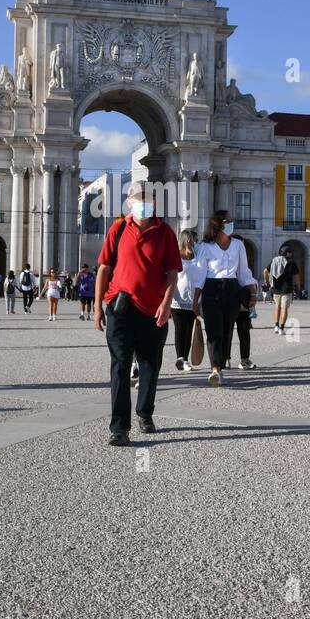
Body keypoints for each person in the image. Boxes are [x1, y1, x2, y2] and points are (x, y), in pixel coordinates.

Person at [95, 181, 181, 446]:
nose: (145, 202)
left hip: (153, 310)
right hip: (120, 308)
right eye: (139, 198)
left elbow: (172, 273)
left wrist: (166, 305)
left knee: (149, 365)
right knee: (120, 365)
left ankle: (145, 413)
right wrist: (97, 306)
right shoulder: (118, 227)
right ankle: (119, 427)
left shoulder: (165, 231)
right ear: (129, 202)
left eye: (149, 198)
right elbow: (104, 269)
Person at [193, 212, 257, 386]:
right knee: (214, 331)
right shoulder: (205, 247)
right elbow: (199, 276)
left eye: (231, 221)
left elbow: (244, 272)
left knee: (227, 331)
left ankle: (220, 366)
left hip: (232, 289)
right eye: (227, 221)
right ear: (218, 226)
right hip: (211, 289)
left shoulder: (238, 245)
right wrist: (195, 300)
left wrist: (252, 292)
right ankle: (215, 369)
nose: (231, 224)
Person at [171, 229, 204, 371]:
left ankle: (184, 358)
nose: (197, 243)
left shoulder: (197, 257)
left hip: (193, 300)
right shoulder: (176, 256)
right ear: (188, 240)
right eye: (195, 240)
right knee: (180, 329)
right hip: (177, 300)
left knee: (189, 329)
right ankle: (180, 358)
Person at [266, 246, 300, 336]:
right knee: (284, 308)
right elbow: (296, 276)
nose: (291, 254)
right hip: (287, 289)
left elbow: (265, 271)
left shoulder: (274, 260)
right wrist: (298, 287)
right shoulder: (291, 262)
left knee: (277, 307)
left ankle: (276, 326)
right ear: (287, 253)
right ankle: (282, 328)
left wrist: (267, 282)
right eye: (290, 252)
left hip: (276, 288)